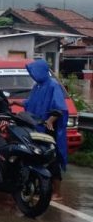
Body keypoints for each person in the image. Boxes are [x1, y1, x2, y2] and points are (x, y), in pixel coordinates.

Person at [24, 59, 68, 200]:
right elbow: (30, 103)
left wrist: (50, 120)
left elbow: (60, 108)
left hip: (49, 129)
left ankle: (57, 192)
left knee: (52, 159)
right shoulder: (38, 86)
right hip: (37, 127)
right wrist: (14, 102)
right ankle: (41, 187)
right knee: (38, 157)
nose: (33, 75)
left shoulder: (53, 86)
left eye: (34, 72)